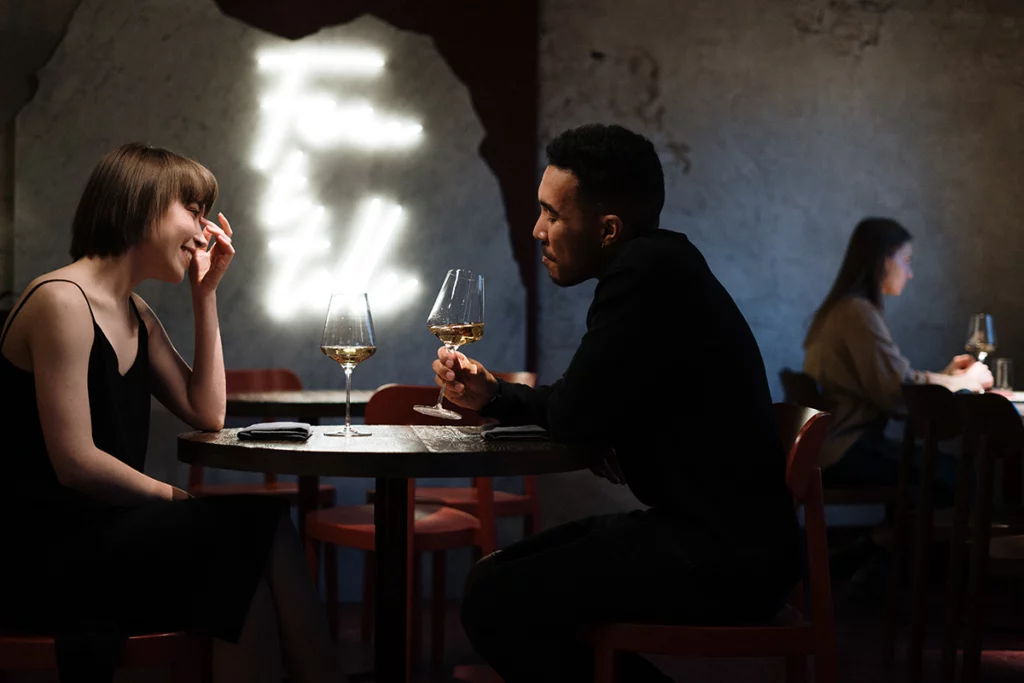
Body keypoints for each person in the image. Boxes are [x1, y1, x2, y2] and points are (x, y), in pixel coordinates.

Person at [429, 124, 800, 683]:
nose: (537, 231)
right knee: (492, 581)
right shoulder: (663, 263)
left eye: (552, 215)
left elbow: (578, 410)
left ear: (607, 229)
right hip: (726, 541)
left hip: (722, 559)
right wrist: (495, 394)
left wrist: (580, 418)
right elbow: (590, 402)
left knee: (495, 599)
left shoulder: (643, 275)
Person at [0, 143, 344, 683]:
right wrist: (175, 498)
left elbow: (207, 412)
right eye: (194, 210)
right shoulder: (61, 300)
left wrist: (205, 295)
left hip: (111, 535)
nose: (205, 231)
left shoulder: (136, 311)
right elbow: (76, 463)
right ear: (143, 204)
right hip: (47, 551)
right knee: (244, 541)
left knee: (258, 536)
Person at [803, 217, 991, 502]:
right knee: (963, 475)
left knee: (950, 470)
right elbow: (897, 391)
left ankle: (896, 542)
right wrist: (963, 381)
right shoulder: (857, 313)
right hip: (845, 451)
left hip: (830, 447)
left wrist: (948, 377)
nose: (910, 272)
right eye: (906, 259)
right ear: (883, 261)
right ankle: (902, 545)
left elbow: (895, 381)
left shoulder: (844, 309)